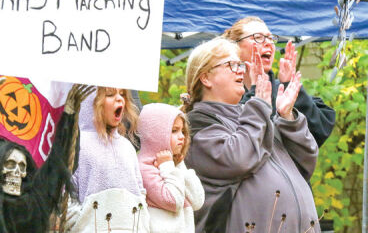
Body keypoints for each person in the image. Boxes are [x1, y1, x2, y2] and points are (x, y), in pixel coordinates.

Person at [182, 37, 320, 233]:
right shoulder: (196, 124)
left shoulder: (252, 116)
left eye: (240, 64)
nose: (240, 70)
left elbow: (306, 163)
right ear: (205, 78)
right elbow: (237, 159)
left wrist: (287, 117)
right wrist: (259, 107)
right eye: (230, 65)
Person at [0, 78, 93, 233]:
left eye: (22, 167)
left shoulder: (31, 207)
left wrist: (68, 115)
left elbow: (54, 167)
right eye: (10, 164)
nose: (16, 173)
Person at [223, 16, 335, 147]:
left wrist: (288, 85)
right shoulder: (222, 94)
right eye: (258, 37)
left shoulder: (280, 88)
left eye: (271, 38)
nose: (268, 43)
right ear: (235, 47)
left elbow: (318, 133)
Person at [66, 87, 149, 232]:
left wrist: (142, 225)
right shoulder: (78, 144)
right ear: (92, 102)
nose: (119, 98)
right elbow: (66, 195)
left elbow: (140, 191)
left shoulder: (127, 147)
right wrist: (81, 225)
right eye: (110, 94)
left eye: (122, 94)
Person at [137, 103, 204, 233]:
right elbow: (174, 201)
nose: (182, 136)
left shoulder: (172, 165)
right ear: (155, 134)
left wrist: (178, 165)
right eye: (174, 131)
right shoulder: (144, 168)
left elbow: (197, 201)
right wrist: (167, 167)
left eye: (183, 131)